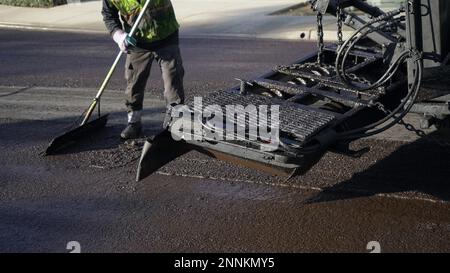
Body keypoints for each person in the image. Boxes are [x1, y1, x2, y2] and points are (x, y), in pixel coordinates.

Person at [102, 0, 185, 139]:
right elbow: (108, 15)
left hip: (166, 36)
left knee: (173, 81)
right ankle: (134, 123)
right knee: (134, 83)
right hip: (136, 42)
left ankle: (176, 123)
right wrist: (119, 36)